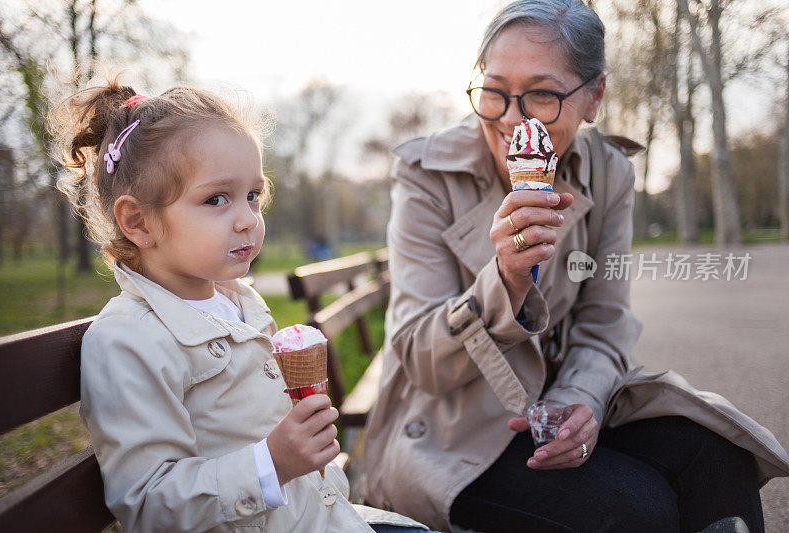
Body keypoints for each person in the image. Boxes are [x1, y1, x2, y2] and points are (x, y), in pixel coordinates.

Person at [359, 1, 789, 532]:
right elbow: (420, 361)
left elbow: (605, 322)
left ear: (595, 97)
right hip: (451, 428)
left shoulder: (608, 171)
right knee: (639, 509)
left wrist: (576, 403)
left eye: (541, 94)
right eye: (494, 91)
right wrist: (506, 280)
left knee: (717, 458)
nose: (512, 120)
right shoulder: (426, 173)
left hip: (557, 399)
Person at [53, 78, 431, 532]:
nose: (248, 218)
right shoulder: (129, 340)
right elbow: (150, 502)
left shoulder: (240, 303)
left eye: (254, 195)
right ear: (138, 221)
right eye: (216, 199)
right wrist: (272, 462)